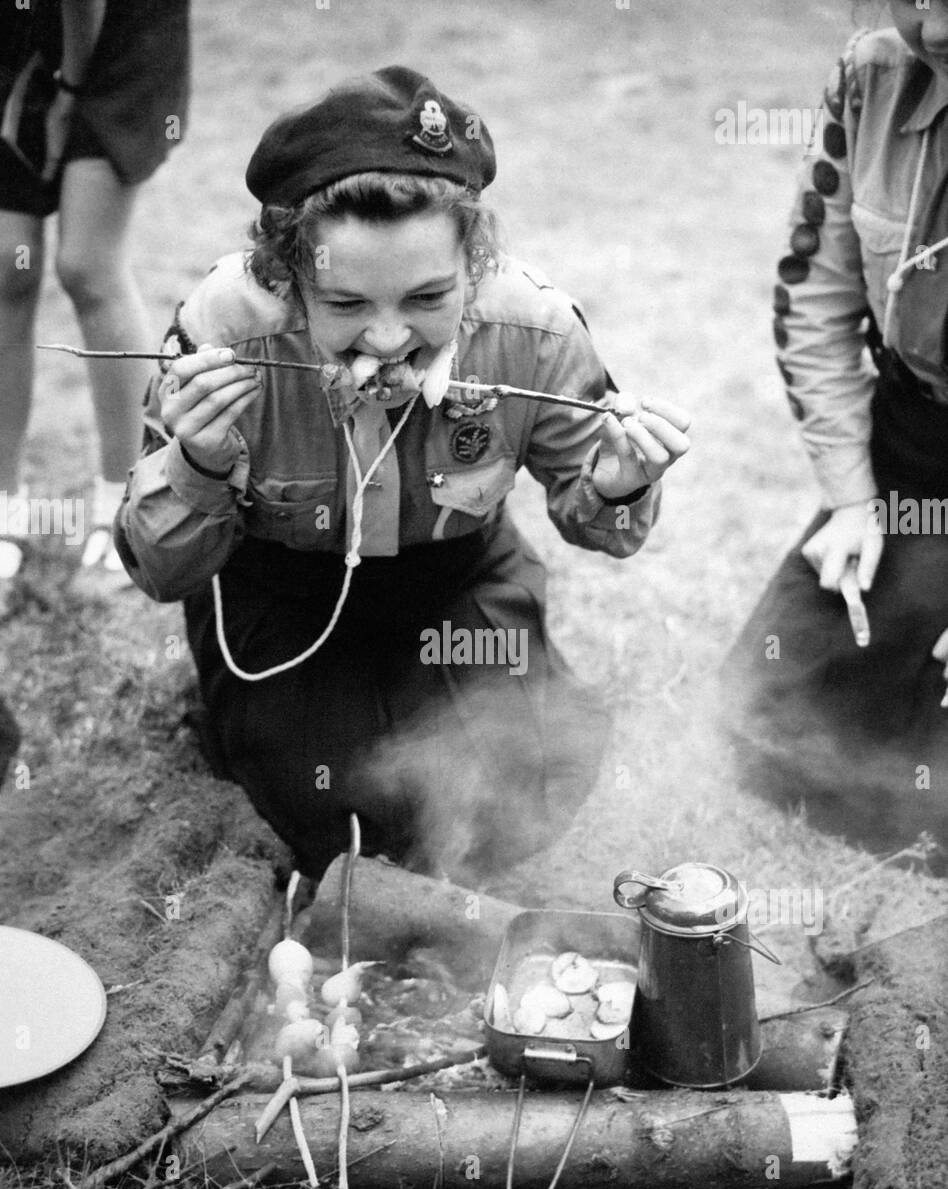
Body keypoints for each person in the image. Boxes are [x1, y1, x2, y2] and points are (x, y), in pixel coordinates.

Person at [115, 67, 691, 883]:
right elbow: (157, 567)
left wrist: (619, 482)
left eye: (427, 297)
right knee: (327, 807)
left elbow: (595, 517)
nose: (388, 341)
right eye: (346, 306)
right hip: (284, 588)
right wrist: (199, 465)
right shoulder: (218, 334)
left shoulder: (532, 329)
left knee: (521, 775)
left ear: (474, 261)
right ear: (289, 280)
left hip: (452, 574)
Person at [726, 3, 948, 855]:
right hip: (914, 447)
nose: (931, 33)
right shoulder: (870, 76)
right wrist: (852, 500)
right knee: (767, 723)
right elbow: (814, 292)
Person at [0, 0, 190, 606]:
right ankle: (3, 505)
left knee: (87, 265)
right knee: (7, 266)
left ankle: (127, 510)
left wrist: (68, 87)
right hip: (18, 37)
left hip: (116, 45)